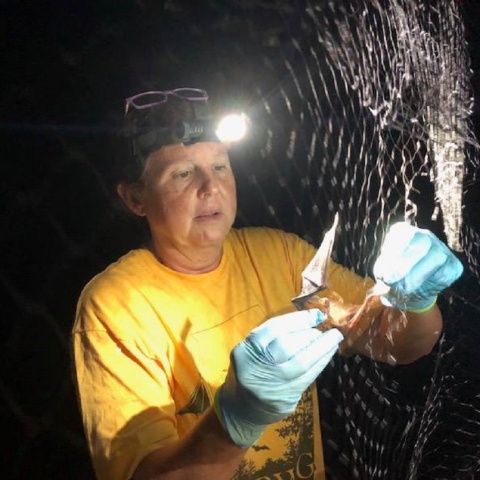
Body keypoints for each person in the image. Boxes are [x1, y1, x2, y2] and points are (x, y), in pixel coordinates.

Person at [72, 87, 463, 480]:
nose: (211, 187)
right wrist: (234, 421)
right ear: (135, 199)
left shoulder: (279, 255)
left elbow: (399, 343)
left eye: (220, 166)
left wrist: (415, 300)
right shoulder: (113, 304)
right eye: (182, 173)